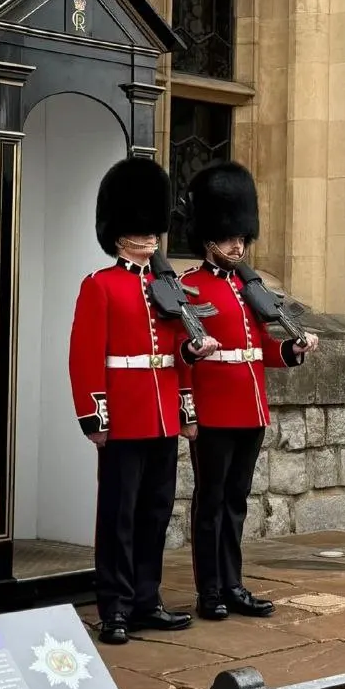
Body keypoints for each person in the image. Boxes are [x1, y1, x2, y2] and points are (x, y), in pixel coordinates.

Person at [69, 157, 218, 646]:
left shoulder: (164, 288)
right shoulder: (100, 286)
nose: (152, 239)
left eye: (154, 231)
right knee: (119, 515)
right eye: (142, 231)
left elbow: (175, 354)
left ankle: (146, 599)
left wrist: (190, 377)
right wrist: (96, 415)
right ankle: (113, 606)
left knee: (155, 511)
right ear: (119, 236)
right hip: (125, 416)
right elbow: (86, 356)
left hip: (161, 416)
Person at [181, 162, 318, 620]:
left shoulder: (249, 288)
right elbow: (186, 359)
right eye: (228, 237)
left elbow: (260, 351)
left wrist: (294, 350)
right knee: (212, 501)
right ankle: (209, 591)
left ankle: (233, 584)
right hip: (215, 412)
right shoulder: (189, 289)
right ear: (208, 239)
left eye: (241, 237)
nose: (237, 244)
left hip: (251, 410)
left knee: (236, 501)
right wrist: (190, 412)